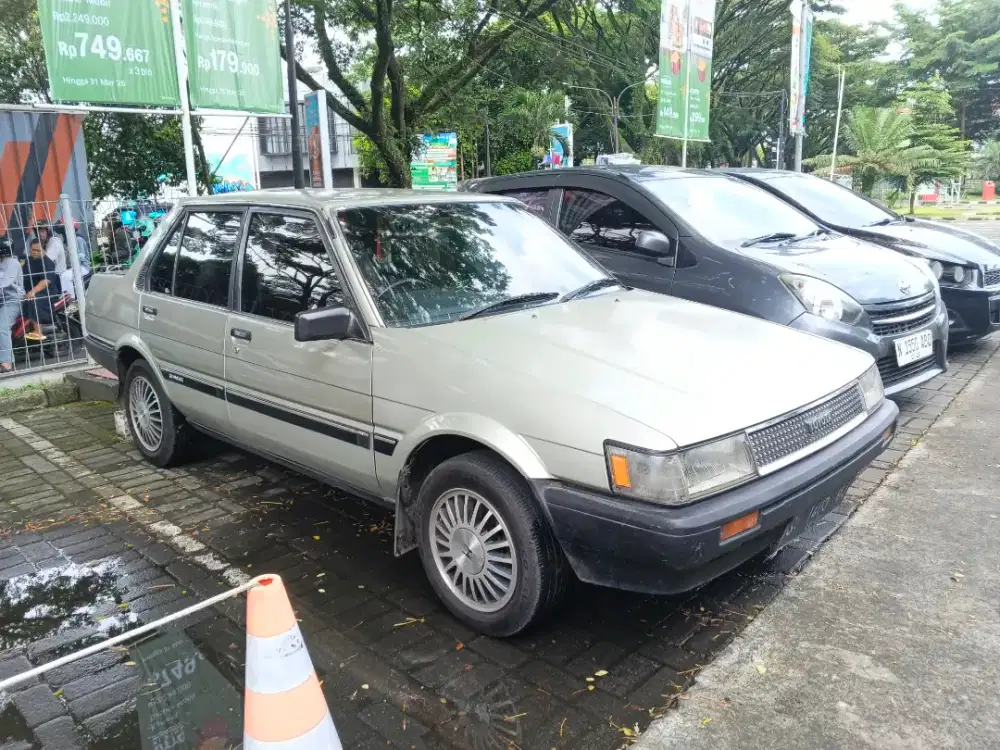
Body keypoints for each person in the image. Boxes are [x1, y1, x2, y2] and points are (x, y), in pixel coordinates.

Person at [22, 238, 59, 342]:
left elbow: (45, 281)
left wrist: (33, 291)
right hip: (28, 290)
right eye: (33, 250)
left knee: (33, 299)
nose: (36, 252)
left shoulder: (48, 262)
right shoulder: (28, 260)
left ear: (44, 250)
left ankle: (37, 331)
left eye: (38, 250)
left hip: (46, 292)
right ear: (30, 249)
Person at [0, 238, 23, 373]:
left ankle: (7, 363)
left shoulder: (13, 262)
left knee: (2, 326)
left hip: (13, 300)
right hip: (2, 300)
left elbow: (4, 283)